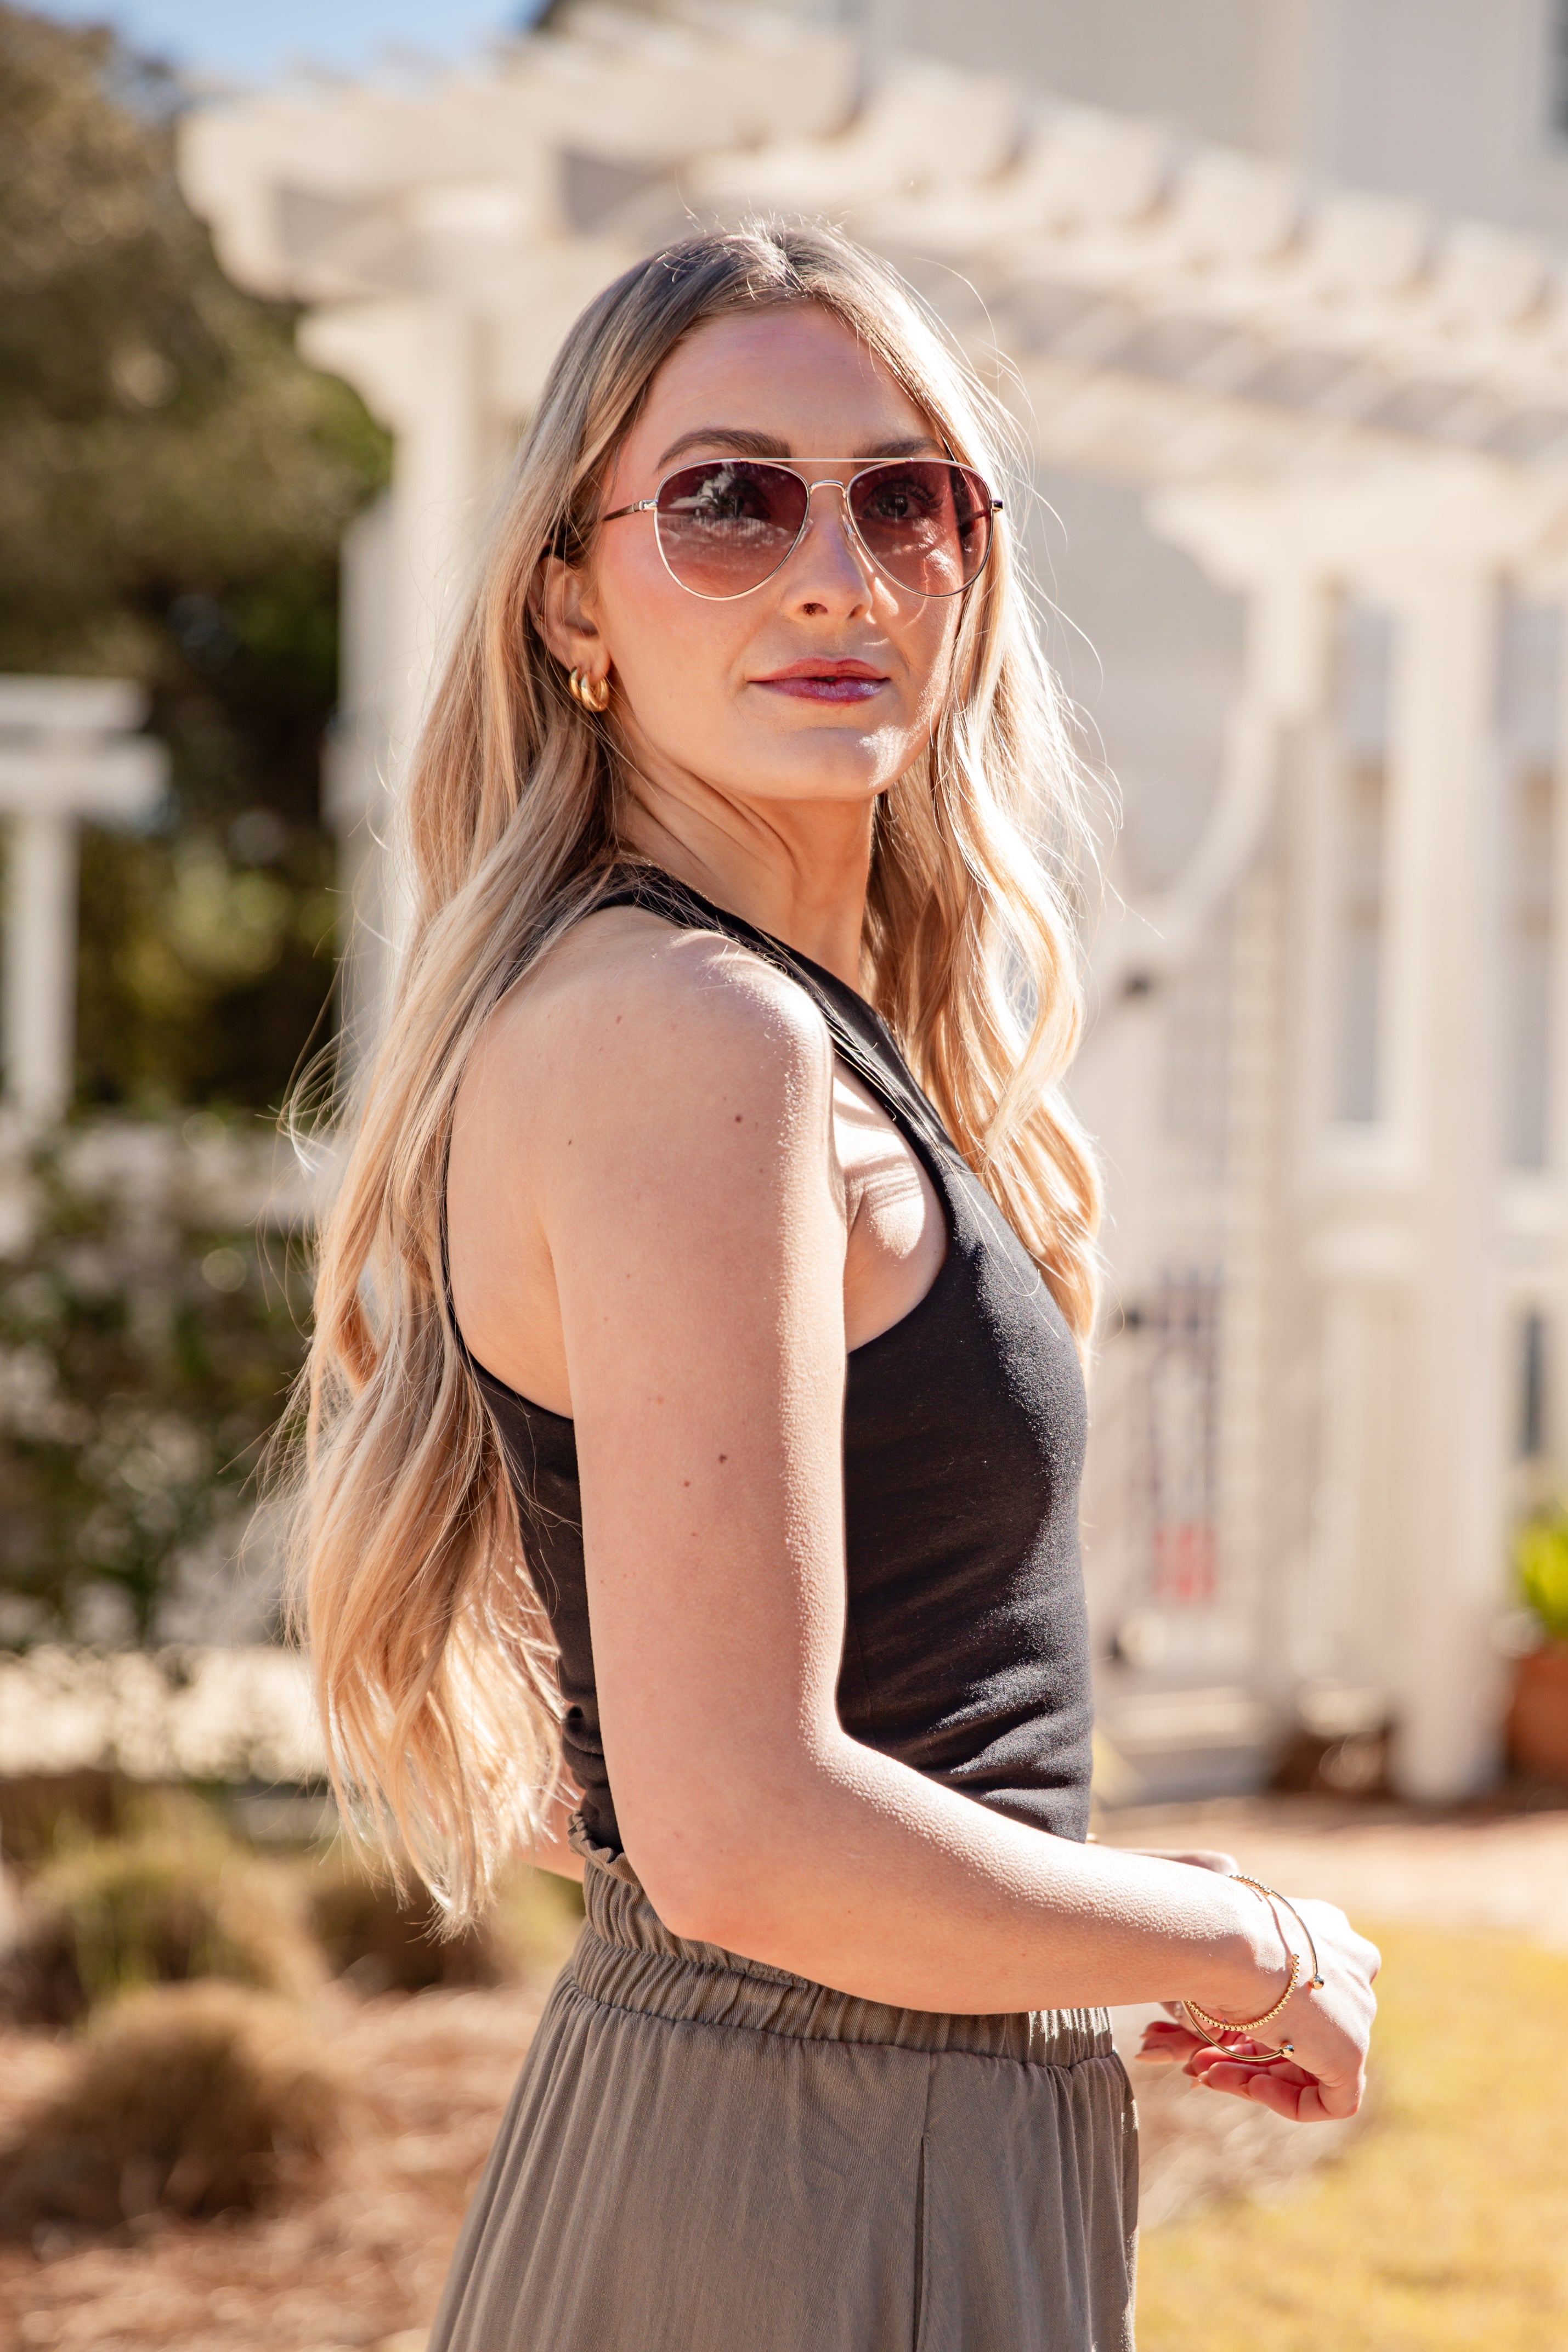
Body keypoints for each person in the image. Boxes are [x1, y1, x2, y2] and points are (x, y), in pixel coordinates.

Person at [292, 223, 1379, 2352]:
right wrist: (1243, 1937)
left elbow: (624, 1784)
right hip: (807, 2171)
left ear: (971, 567)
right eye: (726, 497)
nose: (836, 569)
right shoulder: (698, 1035)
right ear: (571, 608)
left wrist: (1024, 1950)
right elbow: (743, 1836)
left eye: (908, 497)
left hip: (840, 2121)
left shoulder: (743, 1022)